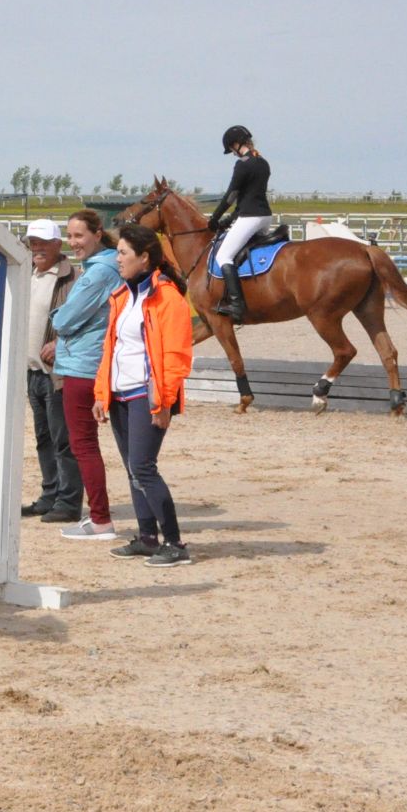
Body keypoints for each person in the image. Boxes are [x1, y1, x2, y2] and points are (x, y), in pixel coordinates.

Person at [93, 223, 195, 567]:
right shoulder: (122, 295)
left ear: (145, 258)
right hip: (120, 394)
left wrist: (163, 401)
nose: (117, 259)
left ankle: (175, 543)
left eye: (123, 253)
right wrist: (100, 394)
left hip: (146, 395)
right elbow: (111, 349)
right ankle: (148, 538)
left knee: (143, 467)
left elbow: (177, 356)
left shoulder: (168, 298)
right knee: (132, 469)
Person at [49, 208, 124, 539]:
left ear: (97, 234)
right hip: (97, 360)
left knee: (83, 444)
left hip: (83, 365)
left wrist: (57, 314)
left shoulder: (97, 273)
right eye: (70, 236)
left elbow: (63, 320)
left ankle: (100, 518)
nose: (73, 242)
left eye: (79, 236)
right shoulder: (108, 265)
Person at [21, 220, 81, 523]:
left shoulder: (72, 279)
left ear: (58, 245)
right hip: (33, 370)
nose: (37, 248)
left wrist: (61, 342)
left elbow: (83, 320)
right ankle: (50, 494)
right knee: (44, 438)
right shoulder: (25, 274)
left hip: (57, 373)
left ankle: (69, 501)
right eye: (33, 242)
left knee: (63, 438)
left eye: (43, 242)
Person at [207, 124, 274, 323]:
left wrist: (215, 218)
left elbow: (232, 195)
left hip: (250, 217)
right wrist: (229, 220)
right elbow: (248, 196)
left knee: (224, 256)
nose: (233, 154)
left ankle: (236, 305)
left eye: (232, 150)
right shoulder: (262, 162)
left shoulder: (243, 164)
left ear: (236, 144)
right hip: (264, 216)